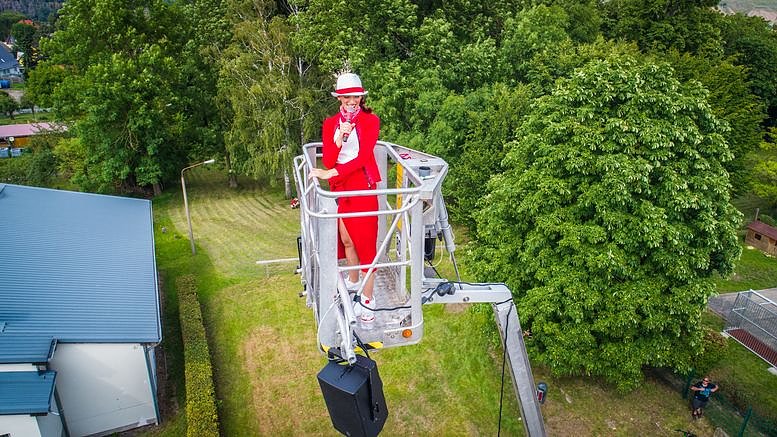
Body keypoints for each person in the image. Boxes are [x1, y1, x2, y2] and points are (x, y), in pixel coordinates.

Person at [309, 72, 381, 324]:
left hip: (361, 185)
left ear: (361, 98)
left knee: (366, 244)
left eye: (356, 97)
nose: (352, 101)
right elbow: (329, 159)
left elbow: (362, 158)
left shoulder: (371, 121)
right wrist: (339, 138)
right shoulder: (331, 123)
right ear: (339, 99)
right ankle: (353, 281)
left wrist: (331, 173)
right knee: (347, 239)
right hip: (341, 186)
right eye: (347, 97)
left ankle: (369, 300)